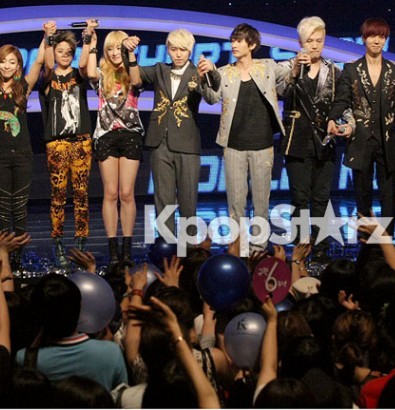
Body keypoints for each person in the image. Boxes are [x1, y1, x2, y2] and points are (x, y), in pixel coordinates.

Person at [126, 28, 220, 243]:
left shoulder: (197, 72)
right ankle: (167, 247)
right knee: (163, 200)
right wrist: (130, 53)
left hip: (187, 144)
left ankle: (189, 249)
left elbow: (211, 97)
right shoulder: (160, 69)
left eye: (183, 50)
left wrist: (210, 73)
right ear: (168, 49)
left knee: (188, 202)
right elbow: (135, 78)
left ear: (190, 51)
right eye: (174, 49)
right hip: (160, 143)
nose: (178, 54)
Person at [203, 23, 289, 248]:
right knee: (235, 204)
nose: (234, 44)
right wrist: (208, 75)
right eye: (232, 40)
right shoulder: (224, 72)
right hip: (233, 146)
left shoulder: (267, 66)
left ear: (252, 44)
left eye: (239, 40)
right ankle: (237, 247)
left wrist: (300, 62)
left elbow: (290, 74)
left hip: (263, 145)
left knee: (261, 204)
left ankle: (259, 248)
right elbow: (211, 98)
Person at [278, 16, 353, 256]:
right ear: (300, 42)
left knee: (321, 197)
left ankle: (320, 245)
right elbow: (279, 91)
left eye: (319, 40)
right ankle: (301, 246)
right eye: (310, 41)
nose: (314, 45)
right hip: (297, 141)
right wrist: (295, 71)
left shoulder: (334, 72)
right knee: (300, 197)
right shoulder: (286, 67)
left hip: (324, 141)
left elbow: (343, 106)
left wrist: (347, 126)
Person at [329, 18, 395, 236]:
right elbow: (342, 100)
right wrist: (333, 119)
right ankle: (365, 240)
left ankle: (387, 240)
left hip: (387, 140)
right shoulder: (351, 69)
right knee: (362, 194)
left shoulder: (394, 70)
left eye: (381, 36)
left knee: (389, 195)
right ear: (364, 38)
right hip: (361, 140)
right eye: (372, 36)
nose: (377, 41)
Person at [0, 35, 46, 272]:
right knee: (3, 208)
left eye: (12, 62)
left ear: (18, 66)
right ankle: (4, 254)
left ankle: (18, 256)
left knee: (20, 207)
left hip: (23, 155)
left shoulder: (23, 87)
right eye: (3, 61)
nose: (7, 65)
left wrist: (46, 37)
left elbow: (38, 62)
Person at [39, 21, 96, 269]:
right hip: (57, 144)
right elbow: (46, 65)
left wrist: (88, 36)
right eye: (60, 51)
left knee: (81, 194)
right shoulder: (48, 77)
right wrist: (48, 37)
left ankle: (81, 242)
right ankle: (58, 243)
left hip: (81, 142)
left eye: (68, 52)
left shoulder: (78, 76)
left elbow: (84, 65)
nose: (64, 55)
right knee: (58, 196)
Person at [89, 29, 144, 267]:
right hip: (106, 135)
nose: (114, 53)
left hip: (130, 135)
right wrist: (91, 42)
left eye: (118, 48)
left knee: (126, 193)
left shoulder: (133, 71)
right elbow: (89, 72)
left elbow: (138, 81)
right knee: (110, 193)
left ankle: (127, 249)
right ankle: (113, 250)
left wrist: (130, 53)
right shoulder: (101, 74)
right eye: (109, 49)